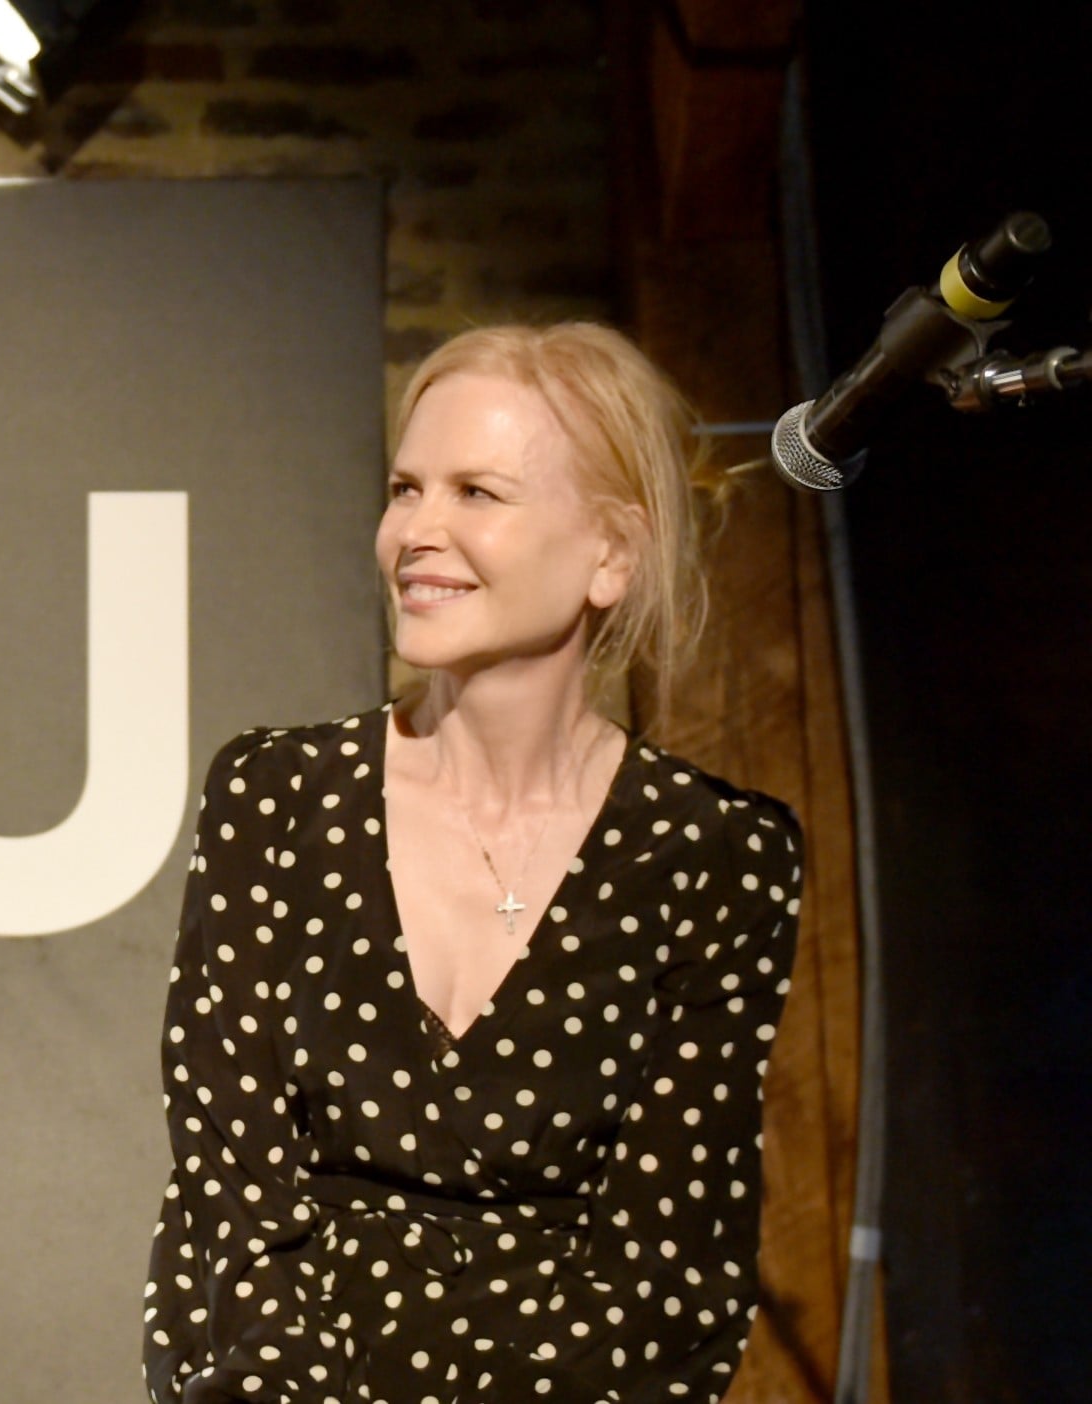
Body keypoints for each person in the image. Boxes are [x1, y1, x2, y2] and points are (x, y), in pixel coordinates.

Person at [142, 324, 803, 1403]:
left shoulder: (715, 855)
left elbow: (674, 1260)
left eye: (477, 495)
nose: (418, 531)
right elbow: (231, 1181)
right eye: (407, 489)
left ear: (613, 554)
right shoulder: (276, 797)